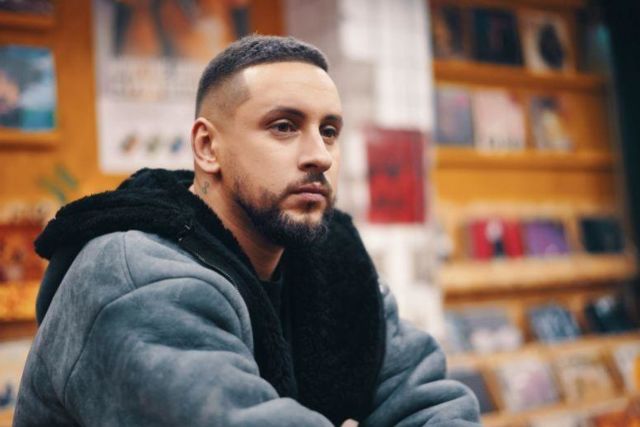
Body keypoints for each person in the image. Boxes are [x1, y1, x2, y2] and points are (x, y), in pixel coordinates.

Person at [14, 35, 480, 426]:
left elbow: (436, 406)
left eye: (329, 131)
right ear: (207, 147)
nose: (320, 155)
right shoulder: (133, 277)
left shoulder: (335, 264)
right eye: (284, 126)